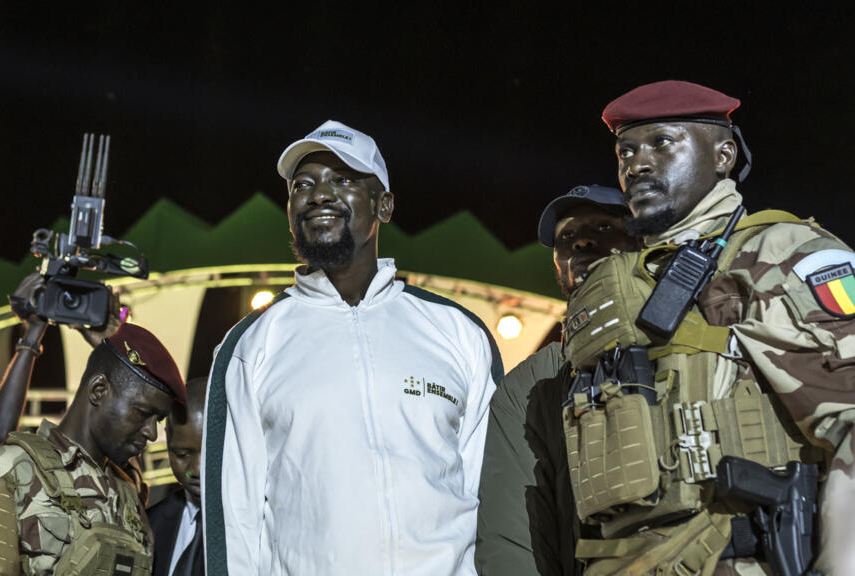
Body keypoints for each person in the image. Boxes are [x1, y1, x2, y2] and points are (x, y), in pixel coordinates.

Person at [559, 80, 855, 575]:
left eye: (662, 143)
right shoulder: (624, 281)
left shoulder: (779, 253)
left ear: (723, 156)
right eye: (626, 151)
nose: (637, 164)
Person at [201, 119, 502, 576]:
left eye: (342, 180)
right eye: (303, 185)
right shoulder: (252, 344)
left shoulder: (458, 332)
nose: (319, 195)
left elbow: (492, 497)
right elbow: (234, 519)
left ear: (384, 204)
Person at [476, 185, 639, 576]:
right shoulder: (531, 385)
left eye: (604, 227)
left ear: (642, 241)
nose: (581, 241)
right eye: (566, 236)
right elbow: (511, 541)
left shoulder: (692, 337)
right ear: (556, 266)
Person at [0, 322, 185, 575]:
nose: (152, 433)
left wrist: (108, 340)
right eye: (143, 413)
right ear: (98, 391)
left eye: (158, 420)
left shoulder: (127, 493)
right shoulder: (10, 469)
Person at [0, 272, 124, 449]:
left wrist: (115, 352)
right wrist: (34, 330)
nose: (151, 433)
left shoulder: (110, 463)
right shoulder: (27, 466)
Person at [148, 376, 207, 576]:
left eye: (209, 455)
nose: (196, 470)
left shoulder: (257, 524)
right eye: (182, 454)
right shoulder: (151, 523)